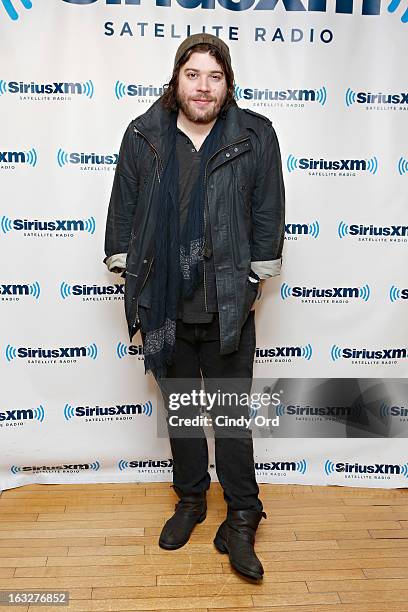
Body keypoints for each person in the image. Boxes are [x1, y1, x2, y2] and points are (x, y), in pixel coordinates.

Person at [104, 33, 285, 581]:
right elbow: (123, 206)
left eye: (214, 76)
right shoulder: (144, 135)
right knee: (182, 411)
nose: (203, 87)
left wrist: (253, 279)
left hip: (227, 301)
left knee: (231, 418)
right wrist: (129, 269)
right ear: (176, 78)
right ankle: (190, 500)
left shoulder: (255, 135)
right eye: (193, 75)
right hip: (165, 304)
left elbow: (266, 212)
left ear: (227, 83)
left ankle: (243, 515)